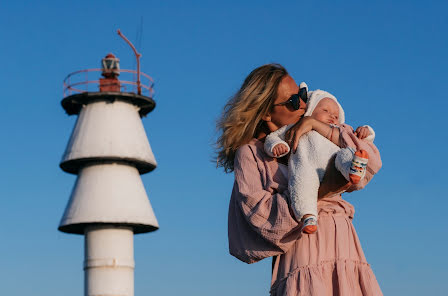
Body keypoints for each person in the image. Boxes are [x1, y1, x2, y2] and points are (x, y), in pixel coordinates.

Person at [216, 64, 383, 295]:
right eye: (293, 102)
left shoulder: (317, 132)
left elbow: (369, 166)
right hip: (304, 251)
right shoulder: (251, 154)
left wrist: (317, 125)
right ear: (265, 112)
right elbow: (261, 217)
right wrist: (321, 190)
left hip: (344, 242)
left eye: (302, 95)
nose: (303, 104)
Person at [263, 87, 381, 234]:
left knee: (346, 154)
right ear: (310, 109)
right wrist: (276, 145)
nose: (332, 116)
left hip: (334, 161)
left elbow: (359, 138)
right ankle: (308, 216)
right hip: (308, 165)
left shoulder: (340, 131)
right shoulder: (296, 127)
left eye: (336, 115)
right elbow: (272, 137)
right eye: (325, 111)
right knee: (302, 183)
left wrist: (367, 131)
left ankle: (353, 168)